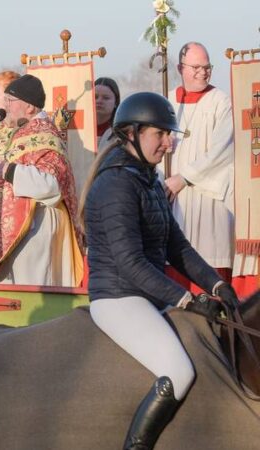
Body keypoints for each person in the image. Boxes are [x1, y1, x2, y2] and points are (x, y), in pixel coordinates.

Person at [80, 92, 240, 449]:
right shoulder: (116, 184)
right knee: (179, 372)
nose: (169, 144)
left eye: (170, 135)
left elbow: (176, 246)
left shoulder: (149, 179)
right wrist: (187, 299)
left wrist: (216, 285)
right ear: (132, 133)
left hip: (145, 294)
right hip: (119, 298)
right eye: (161, 134)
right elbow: (129, 262)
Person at [0, 54, 82, 285]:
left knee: (26, 290)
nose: (4, 106)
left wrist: (10, 171)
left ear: (29, 106)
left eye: (10, 101)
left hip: (33, 229)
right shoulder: (3, 126)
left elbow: (50, 184)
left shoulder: (47, 135)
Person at [165, 42, 235, 291]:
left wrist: (183, 178)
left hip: (207, 200)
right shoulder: (167, 100)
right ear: (180, 67)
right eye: (196, 67)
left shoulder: (221, 102)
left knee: (208, 266)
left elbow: (222, 151)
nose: (203, 73)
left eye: (207, 67)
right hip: (171, 199)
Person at [94, 77, 121, 149]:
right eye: (95, 97)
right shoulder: (77, 131)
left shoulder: (121, 133)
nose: (99, 101)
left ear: (115, 102)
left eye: (106, 98)